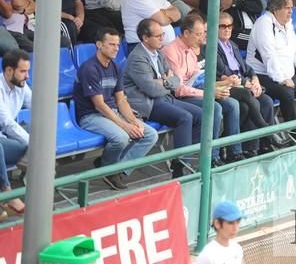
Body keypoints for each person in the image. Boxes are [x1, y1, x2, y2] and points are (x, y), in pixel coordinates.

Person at [73, 27, 158, 190]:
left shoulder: (116, 67)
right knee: (121, 137)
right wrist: (125, 125)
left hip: (112, 112)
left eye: (118, 45)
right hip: (91, 116)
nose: (116, 48)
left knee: (149, 134)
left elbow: (121, 99)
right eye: (111, 44)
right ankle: (108, 170)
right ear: (99, 44)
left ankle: (117, 170)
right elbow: (99, 105)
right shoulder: (89, 68)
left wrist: (133, 121)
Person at [122, 19, 209, 178]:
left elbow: (176, 81)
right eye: (158, 36)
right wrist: (166, 81)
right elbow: (151, 89)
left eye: (162, 35)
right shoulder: (137, 58)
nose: (162, 39)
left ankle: (188, 159)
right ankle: (180, 167)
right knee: (185, 118)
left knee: (202, 114)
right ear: (145, 38)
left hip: (164, 97)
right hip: (148, 103)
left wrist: (164, 81)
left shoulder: (158, 53)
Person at [162, 14, 245, 164]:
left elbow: (198, 79)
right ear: (186, 33)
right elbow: (179, 89)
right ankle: (211, 157)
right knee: (215, 107)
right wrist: (209, 94)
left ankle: (234, 152)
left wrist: (221, 85)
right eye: (199, 34)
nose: (202, 38)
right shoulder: (171, 51)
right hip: (179, 96)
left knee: (232, 104)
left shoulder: (191, 50)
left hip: (196, 91)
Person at [246, 0, 296, 138]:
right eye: (287, 8)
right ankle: (295, 134)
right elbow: (269, 55)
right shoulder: (264, 23)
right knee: (286, 92)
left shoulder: (287, 24)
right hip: (264, 75)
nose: (290, 12)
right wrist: (281, 79)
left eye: (292, 8)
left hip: (287, 75)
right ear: (275, 8)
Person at [217, 13, 274, 155]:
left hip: (243, 85)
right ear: (214, 28)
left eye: (229, 26)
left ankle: (264, 145)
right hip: (228, 85)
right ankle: (262, 136)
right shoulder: (213, 48)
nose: (227, 29)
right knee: (246, 103)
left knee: (266, 101)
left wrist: (255, 78)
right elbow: (224, 71)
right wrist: (245, 82)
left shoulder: (233, 45)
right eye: (223, 26)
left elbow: (246, 68)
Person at [0, 49, 30, 217]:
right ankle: (7, 192)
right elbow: (7, 124)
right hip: (3, 138)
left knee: (40, 136)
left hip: (7, 139)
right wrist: (33, 142)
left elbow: (37, 105)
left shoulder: (21, 85)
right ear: (9, 71)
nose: (27, 76)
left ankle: (41, 192)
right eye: (23, 71)